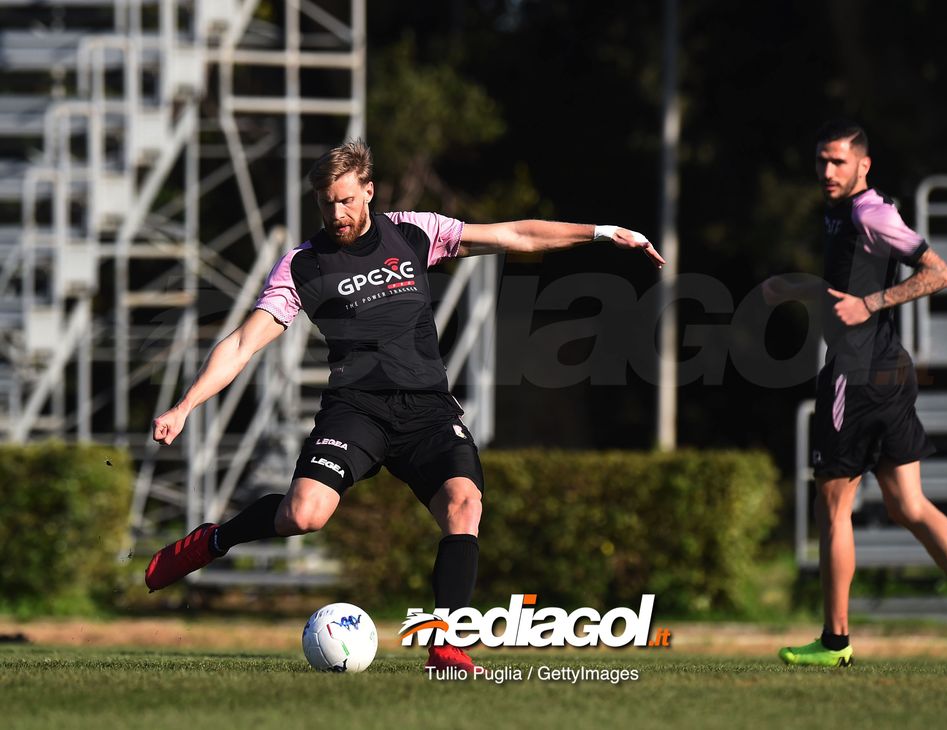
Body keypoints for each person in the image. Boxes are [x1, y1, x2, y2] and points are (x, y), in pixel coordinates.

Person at [144, 138, 665, 674]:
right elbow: (241, 343)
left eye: (346, 200)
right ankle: (214, 540)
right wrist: (184, 405)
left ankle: (446, 644)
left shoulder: (414, 232)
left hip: (427, 412)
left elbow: (514, 233)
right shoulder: (303, 266)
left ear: (368, 191)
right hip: (357, 410)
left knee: (464, 507)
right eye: (326, 203)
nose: (337, 213)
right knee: (304, 514)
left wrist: (602, 233)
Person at [763, 120, 947, 670]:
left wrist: (871, 303)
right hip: (887, 373)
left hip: (858, 375)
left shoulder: (869, 211)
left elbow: (938, 272)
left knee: (833, 508)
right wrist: (807, 288)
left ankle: (835, 643)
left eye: (837, 162)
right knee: (908, 504)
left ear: (863, 165)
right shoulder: (840, 212)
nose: (827, 171)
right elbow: (850, 286)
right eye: (821, 161)